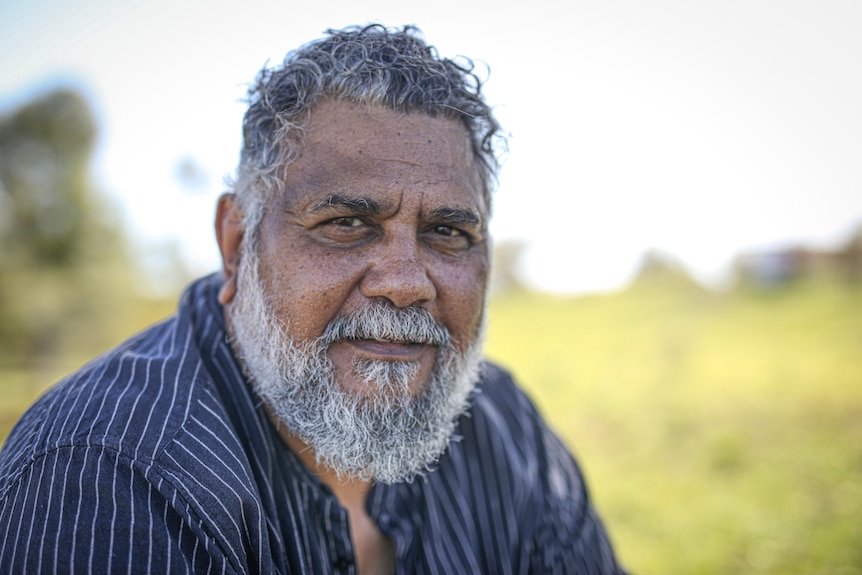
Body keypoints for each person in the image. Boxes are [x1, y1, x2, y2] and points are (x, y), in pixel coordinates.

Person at [0, 24, 627, 574]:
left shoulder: (507, 429)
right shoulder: (103, 474)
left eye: (447, 232)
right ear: (236, 243)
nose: (406, 283)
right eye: (346, 224)